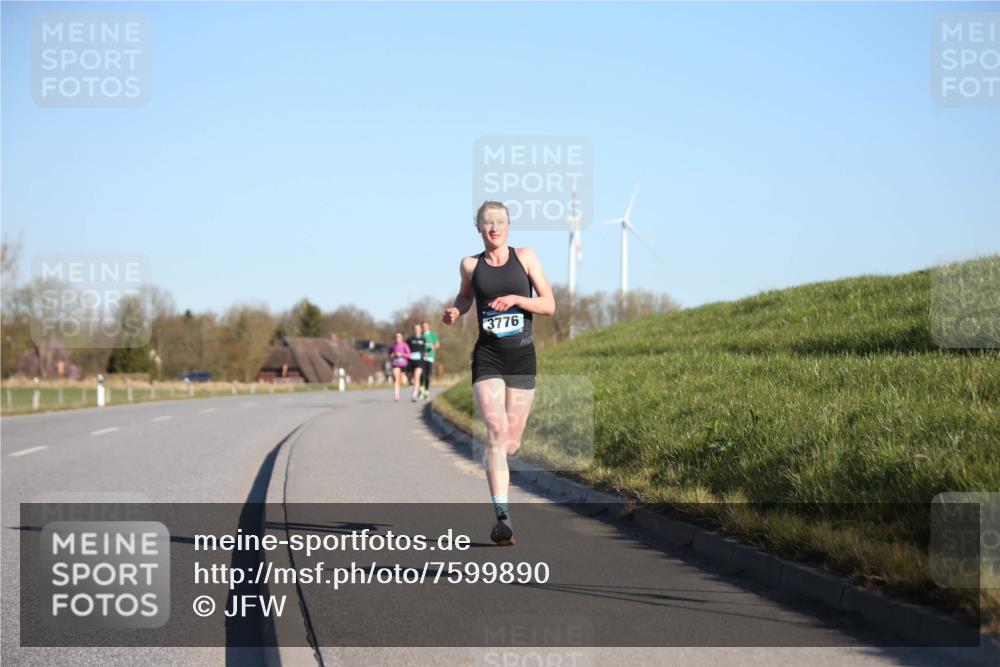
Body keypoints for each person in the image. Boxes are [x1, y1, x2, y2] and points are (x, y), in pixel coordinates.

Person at [442, 200, 555, 545]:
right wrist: (454, 311)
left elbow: (549, 305)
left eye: (500, 221)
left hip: (522, 359)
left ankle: (498, 460)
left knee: (511, 440)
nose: (494, 227)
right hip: (488, 357)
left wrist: (517, 300)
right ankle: (502, 517)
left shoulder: (526, 257)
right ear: (478, 227)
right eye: (487, 222)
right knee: (495, 429)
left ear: (508, 225)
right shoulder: (470, 265)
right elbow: (465, 299)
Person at [420, 321, 439, 400]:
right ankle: (422, 390)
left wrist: (432, 348)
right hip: (421, 357)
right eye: (423, 326)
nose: (424, 327)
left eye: (425, 326)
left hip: (430, 357)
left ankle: (426, 390)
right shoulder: (420, 335)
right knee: (421, 374)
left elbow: (437, 345)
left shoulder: (433, 335)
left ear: (428, 326)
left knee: (428, 375)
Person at [388, 332, 411, 402]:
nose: (397, 338)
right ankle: (396, 395)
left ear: (401, 338)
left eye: (399, 337)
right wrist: (392, 355)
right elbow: (389, 354)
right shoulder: (393, 345)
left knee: (402, 381)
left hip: (403, 364)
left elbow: (409, 354)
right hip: (395, 364)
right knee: (396, 379)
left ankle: (407, 381)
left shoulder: (404, 345)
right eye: (396, 337)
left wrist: (401, 354)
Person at [406, 323, 425, 402]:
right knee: (410, 377)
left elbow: (428, 348)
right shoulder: (410, 339)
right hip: (411, 361)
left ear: (421, 329)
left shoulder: (424, 339)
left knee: (417, 377)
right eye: (415, 328)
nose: (417, 330)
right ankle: (411, 383)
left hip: (420, 361)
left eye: (418, 328)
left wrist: (426, 352)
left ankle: (414, 394)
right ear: (413, 330)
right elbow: (405, 349)